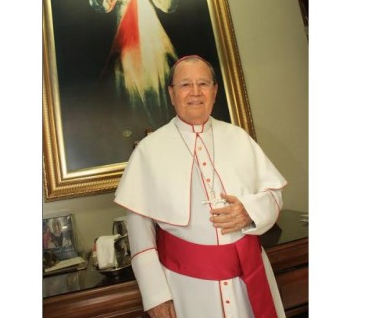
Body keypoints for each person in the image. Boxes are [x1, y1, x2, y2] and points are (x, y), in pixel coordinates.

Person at [115, 55, 288, 318]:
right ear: (172, 93)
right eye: (185, 84)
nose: (195, 92)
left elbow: (274, 194)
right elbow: (140, 231)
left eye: (203, 84)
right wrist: (156, 296)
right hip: (186, 285)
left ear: (214, 91)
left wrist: (249, 211)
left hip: (248, 277)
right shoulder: (149, 150)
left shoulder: (238, 137)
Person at [89, 0, 179, 113]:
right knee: (127, 62)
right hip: (124, 20)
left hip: (148, 22)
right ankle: (133, 111)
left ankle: (156, 109)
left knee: (154, 60)